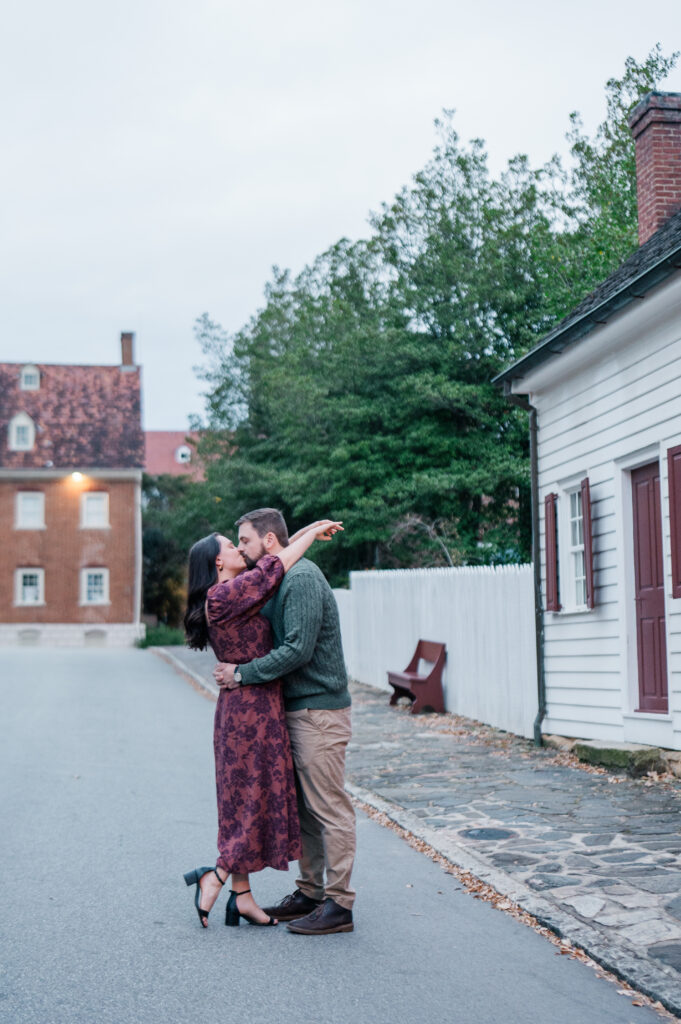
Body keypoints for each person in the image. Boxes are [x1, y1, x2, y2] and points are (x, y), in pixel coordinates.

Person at [182, 518, 342, 929]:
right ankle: (215, 876)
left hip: (254, 707)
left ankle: (243, 897)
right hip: (249, 713)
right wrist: (310, 534)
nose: (239, 549)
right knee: (250, 803)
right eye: (231, 545)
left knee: (243, 801)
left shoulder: (234, 592)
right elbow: (275, 561)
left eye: (242, 542)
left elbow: (273, 556)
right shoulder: (222, 596)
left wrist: (305, 531)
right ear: (217, 563)